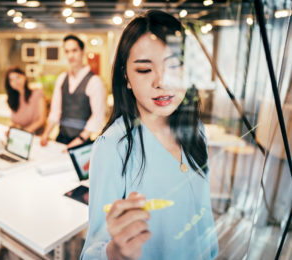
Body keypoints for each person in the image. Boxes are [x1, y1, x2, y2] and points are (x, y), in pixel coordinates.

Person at [81, 10, 219, 260]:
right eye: (144, 70)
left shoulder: (195, 129)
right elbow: (91, 252)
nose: (162, 81)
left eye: (174, 66)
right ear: (127, 78)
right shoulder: (113, 145)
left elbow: (203, 214)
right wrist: (115, 252)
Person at [40, 35, 106, 148]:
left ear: (82, 51)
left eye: (74, 50)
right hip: (61, 138)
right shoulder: (62, 78)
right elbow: (55, 111)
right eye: (67, 51)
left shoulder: (94, 81)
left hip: (82, 142)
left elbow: (98, 117)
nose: (70, 55)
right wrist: (46, 134)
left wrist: (80, 140)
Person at [5, 66, 46, 134]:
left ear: (24, 77)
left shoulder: (37, 94)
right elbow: (14, 120)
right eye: (12, 80)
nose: (16, 82)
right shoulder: (13, 98)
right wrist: (11, 129)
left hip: (36, 136)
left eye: (18, 77)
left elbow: (42, 120)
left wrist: (24, 132)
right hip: (22, 135)